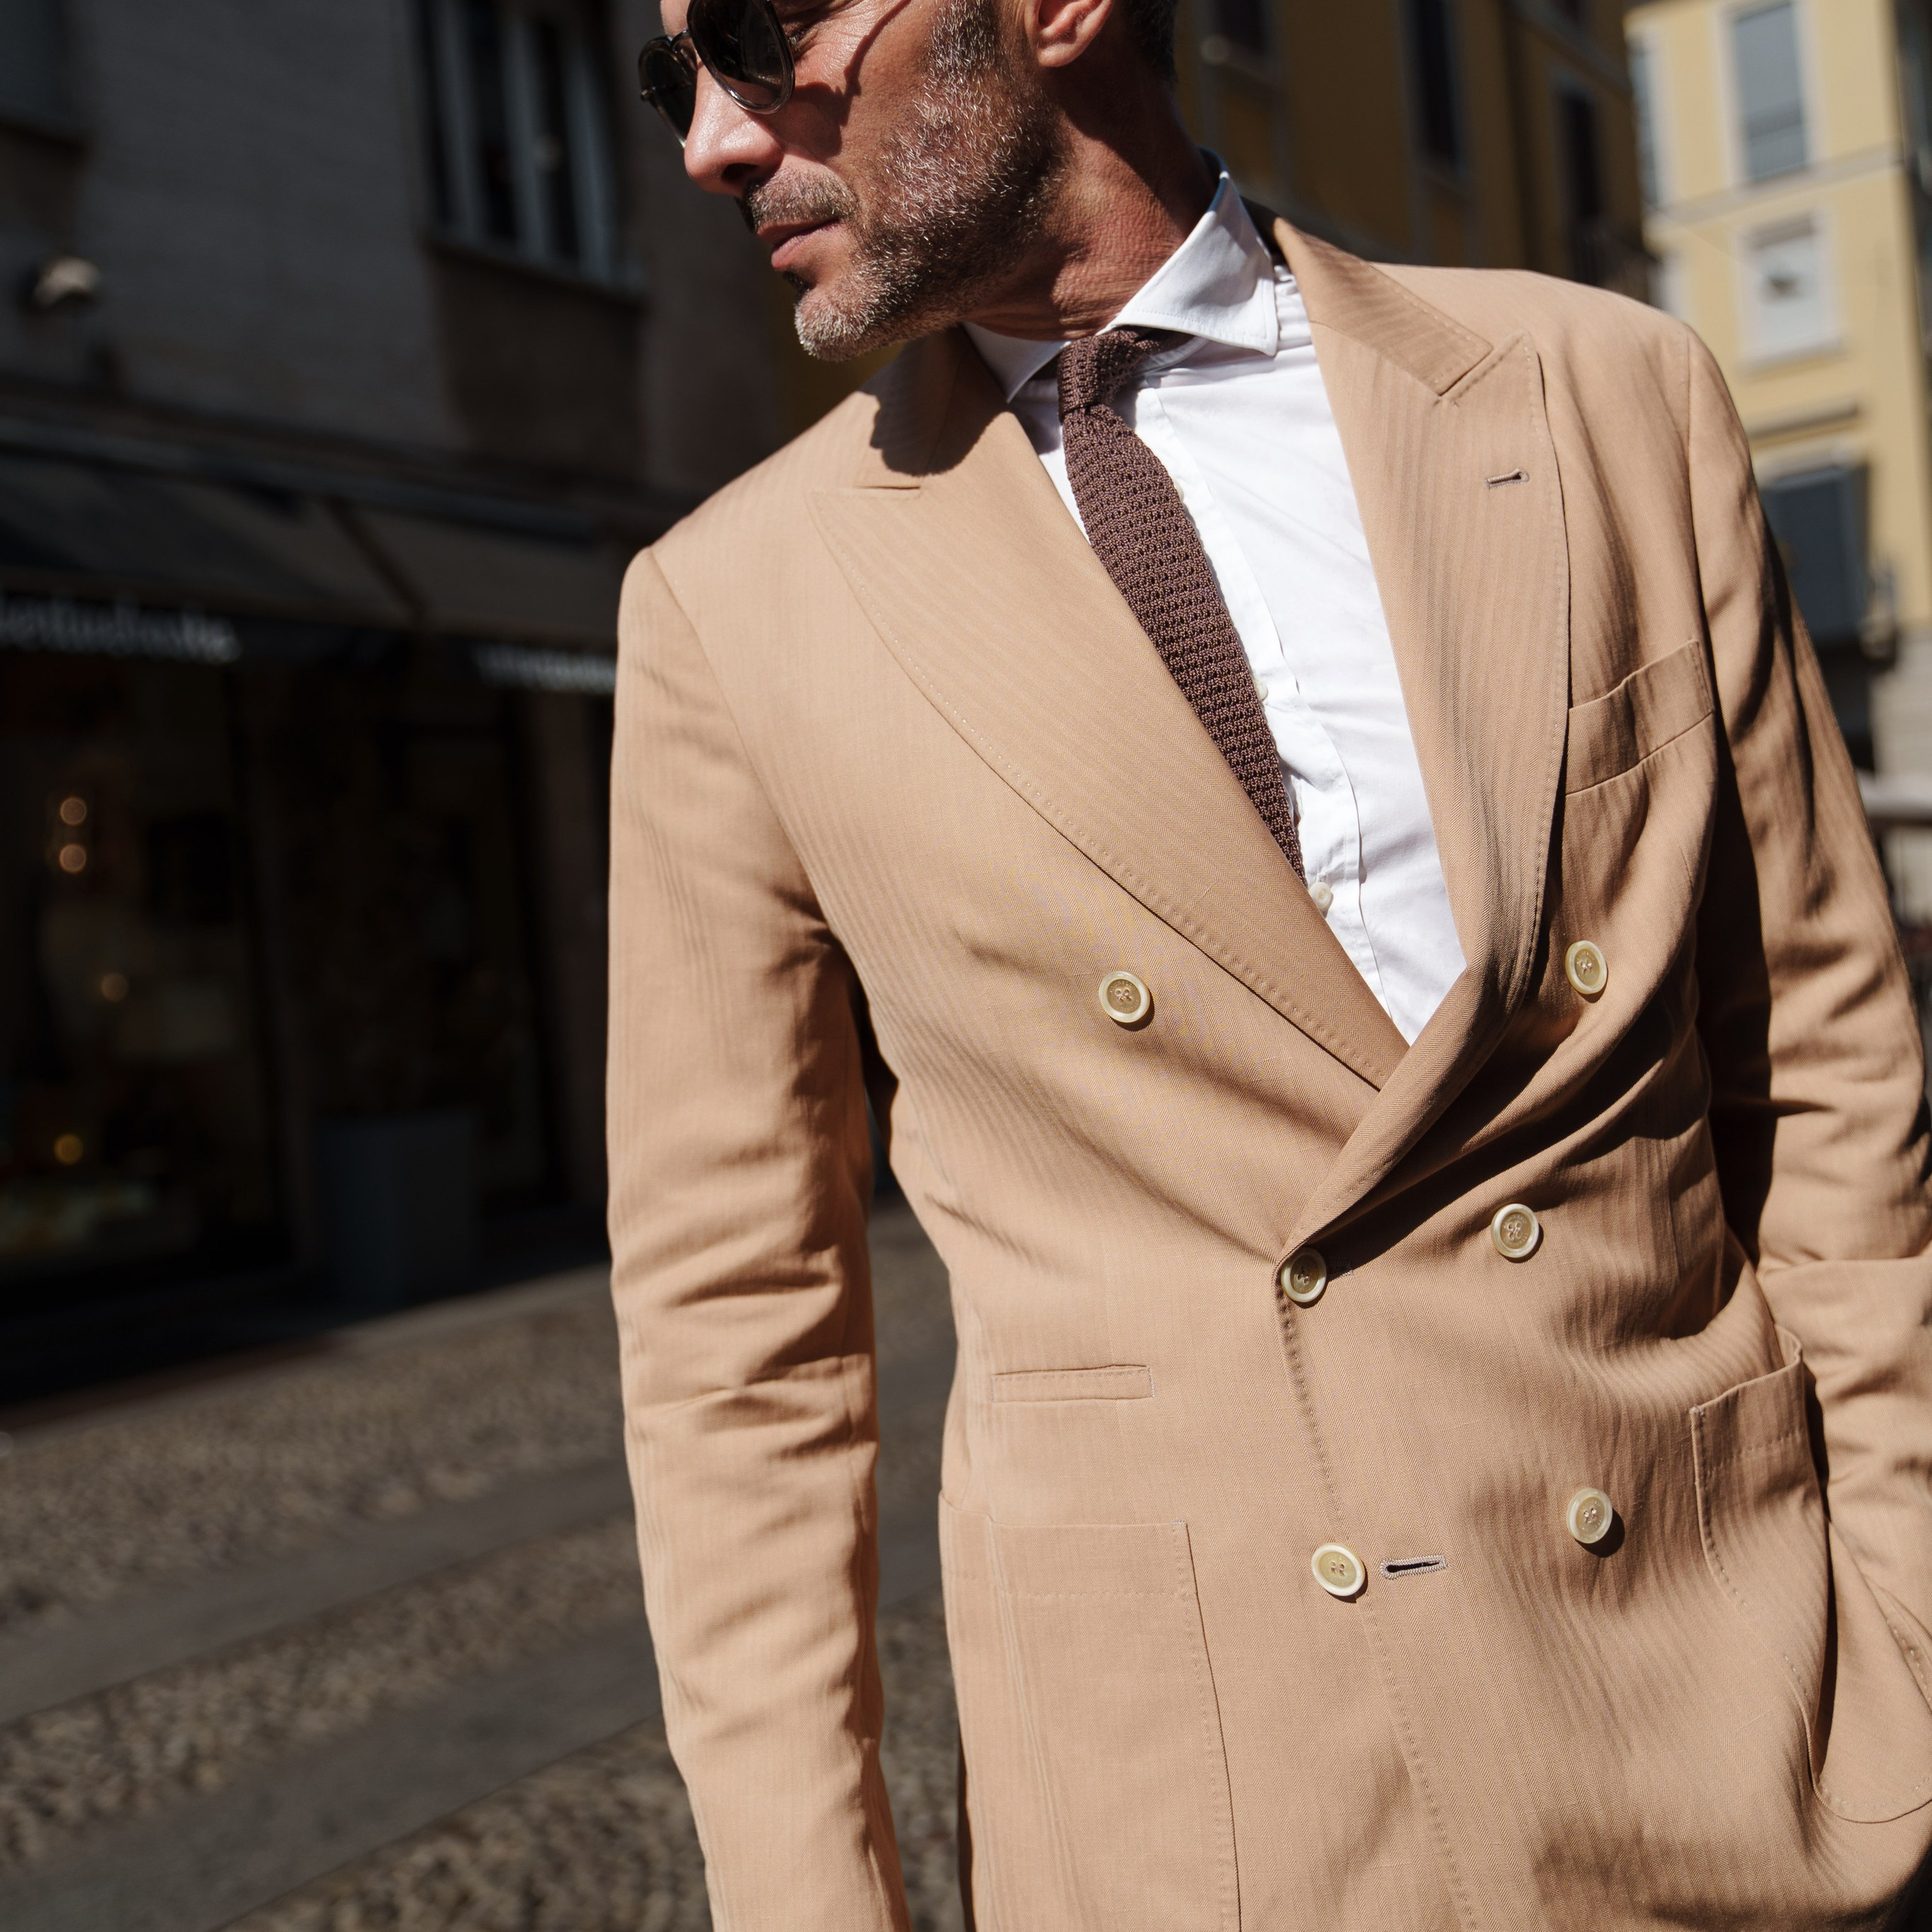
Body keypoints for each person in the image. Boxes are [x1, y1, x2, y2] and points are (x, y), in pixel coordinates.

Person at [605, 0, 1932, 1919]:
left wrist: (1897, 1635)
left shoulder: (1598, 394)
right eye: (675, 83)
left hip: (1721, 1721)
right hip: (1202, 1811)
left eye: (758, 34)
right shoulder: (728, 608)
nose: (715, 143)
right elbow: (736, 1333)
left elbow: (1820, 1062)